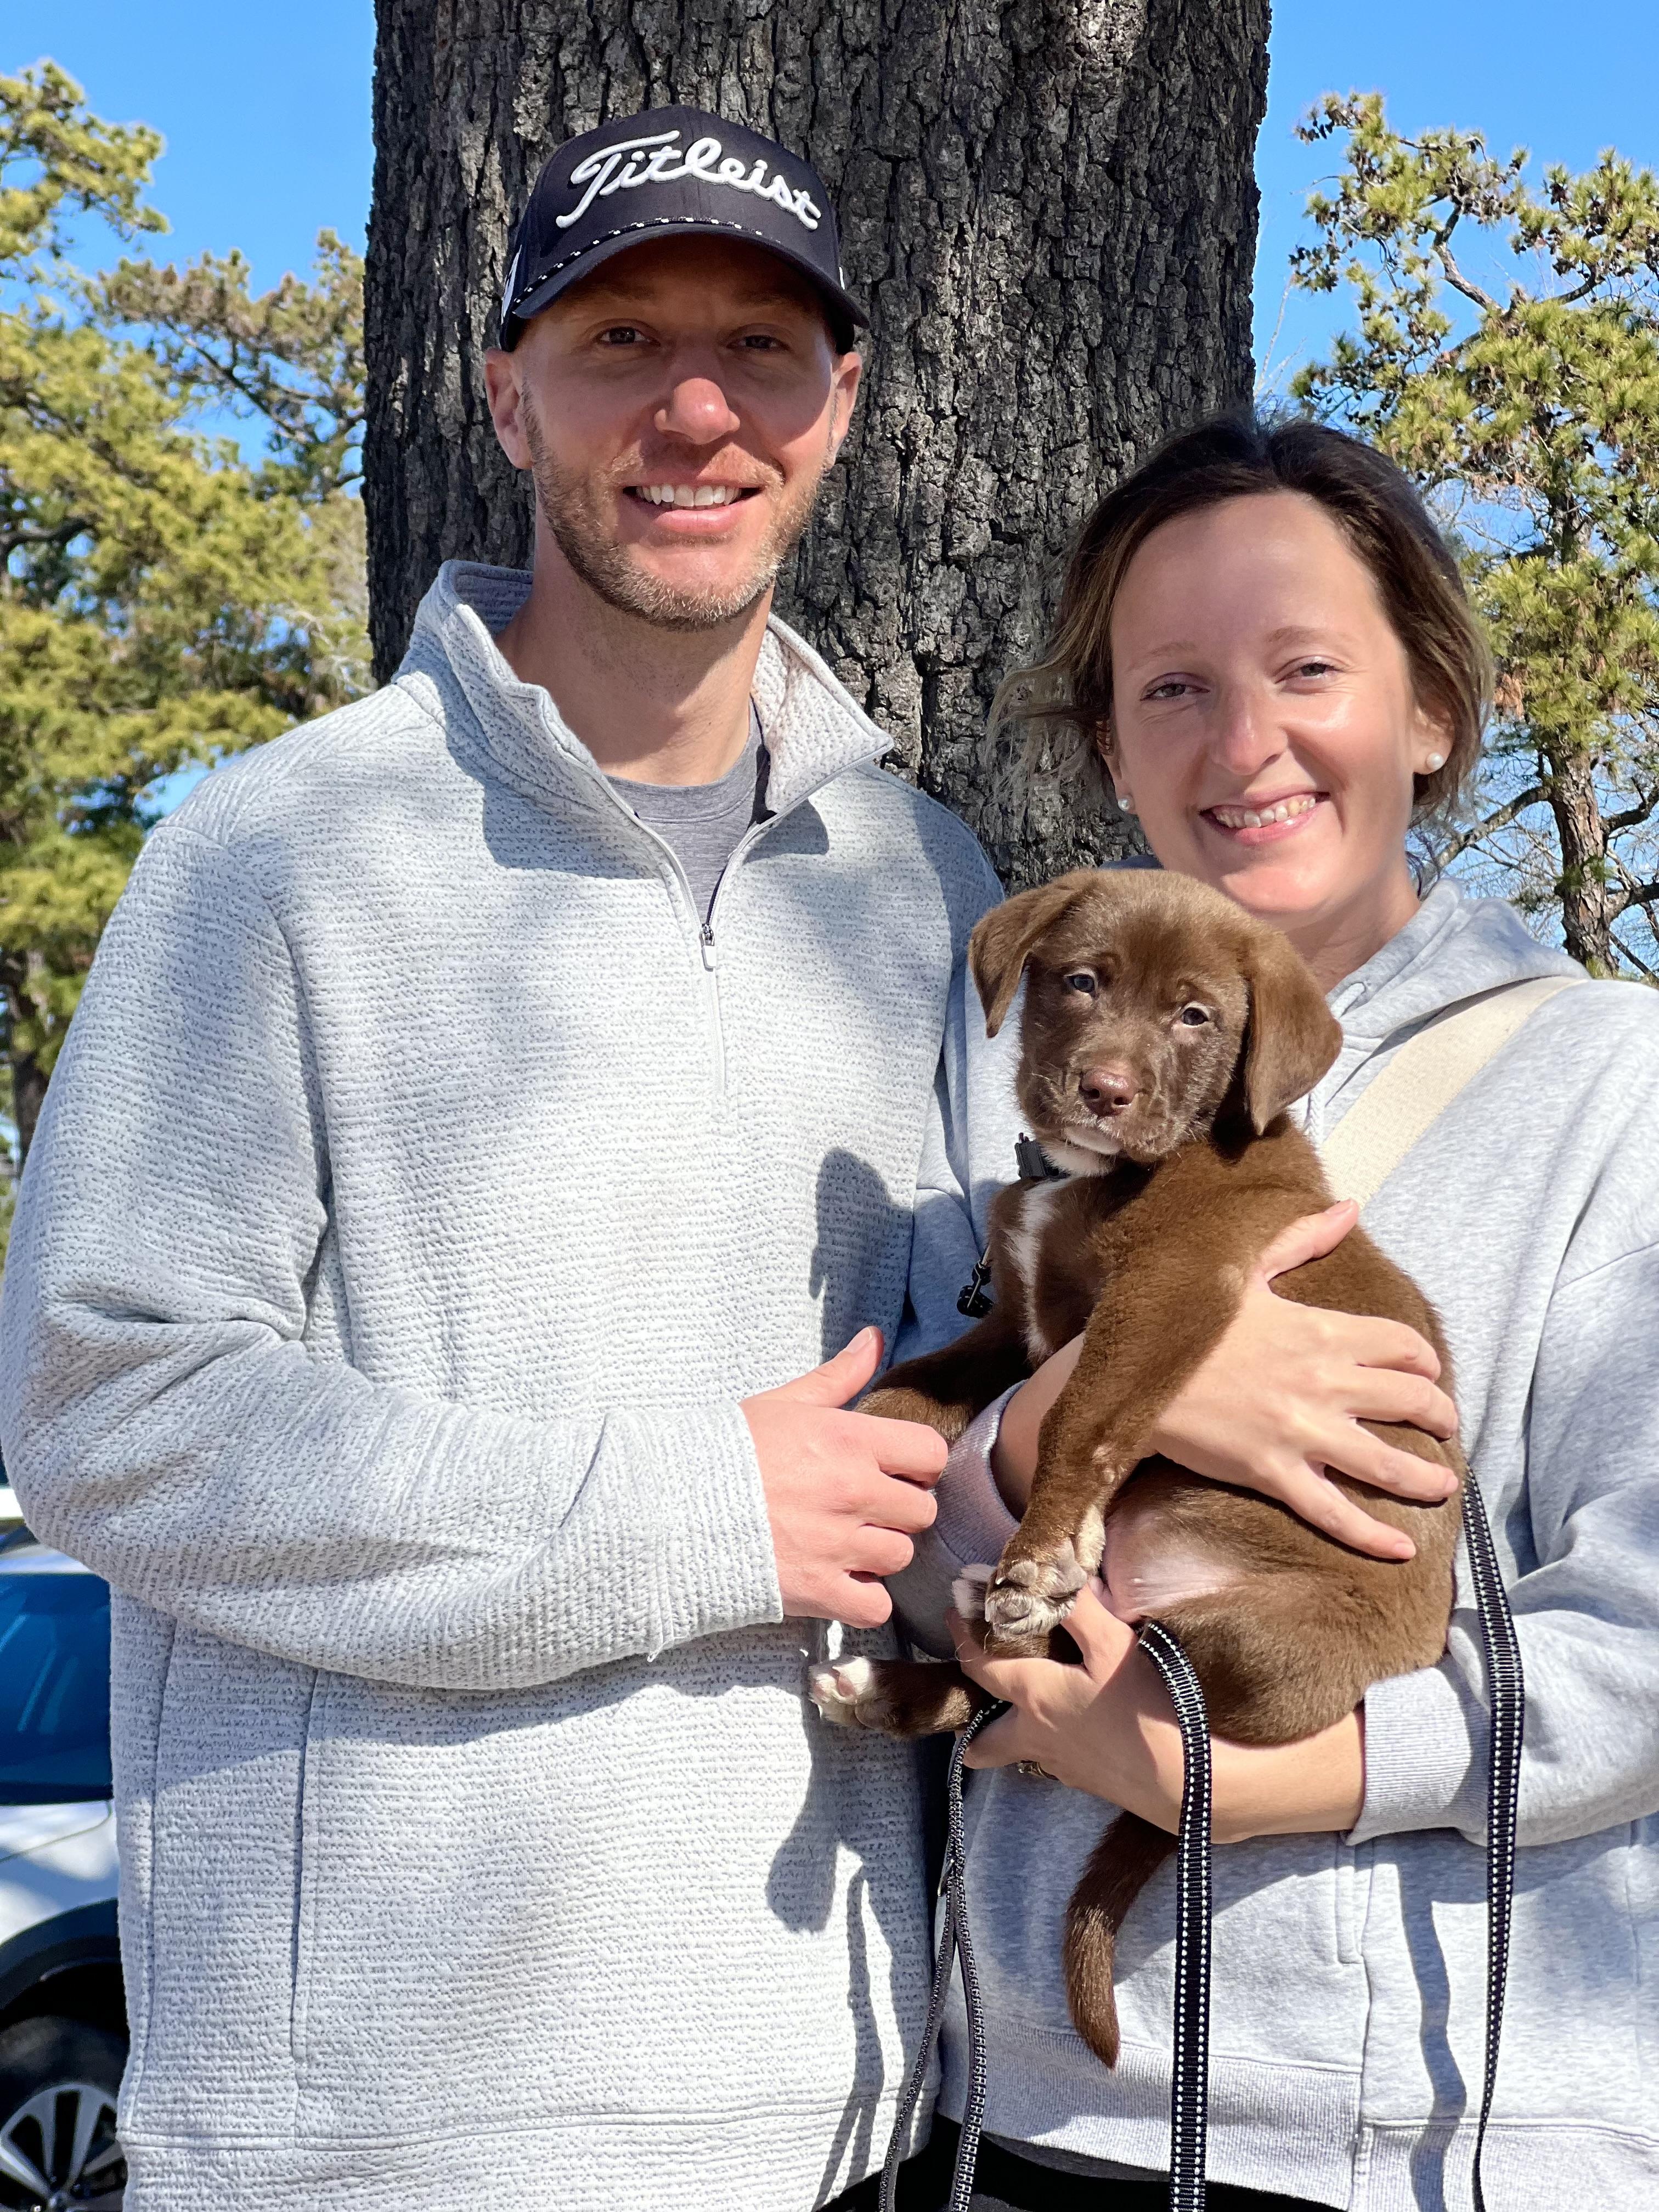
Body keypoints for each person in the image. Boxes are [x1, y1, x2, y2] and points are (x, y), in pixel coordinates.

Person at [0, 106, 1015, 2212]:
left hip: (848, 2114)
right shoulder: (271, 855)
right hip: (379, 2137)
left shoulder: (930, 887)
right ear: (507, 396)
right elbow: (110, 1406)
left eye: (761, 347)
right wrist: (700, 1509)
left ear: (841, 408)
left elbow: (975, 1394)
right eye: (622, 338)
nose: (697, 409)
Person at [895, 415, 1659, 2210]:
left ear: (1434, 710)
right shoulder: (1028, 1094)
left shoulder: (1615, 1086)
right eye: (1172, 689)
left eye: (1307, 670)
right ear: (1112, 747)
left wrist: (1271, 1773)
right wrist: (1049, 1427)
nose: (1243, 744)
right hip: (1022, 2112)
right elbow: (906, 1541)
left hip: (1429, 2148)